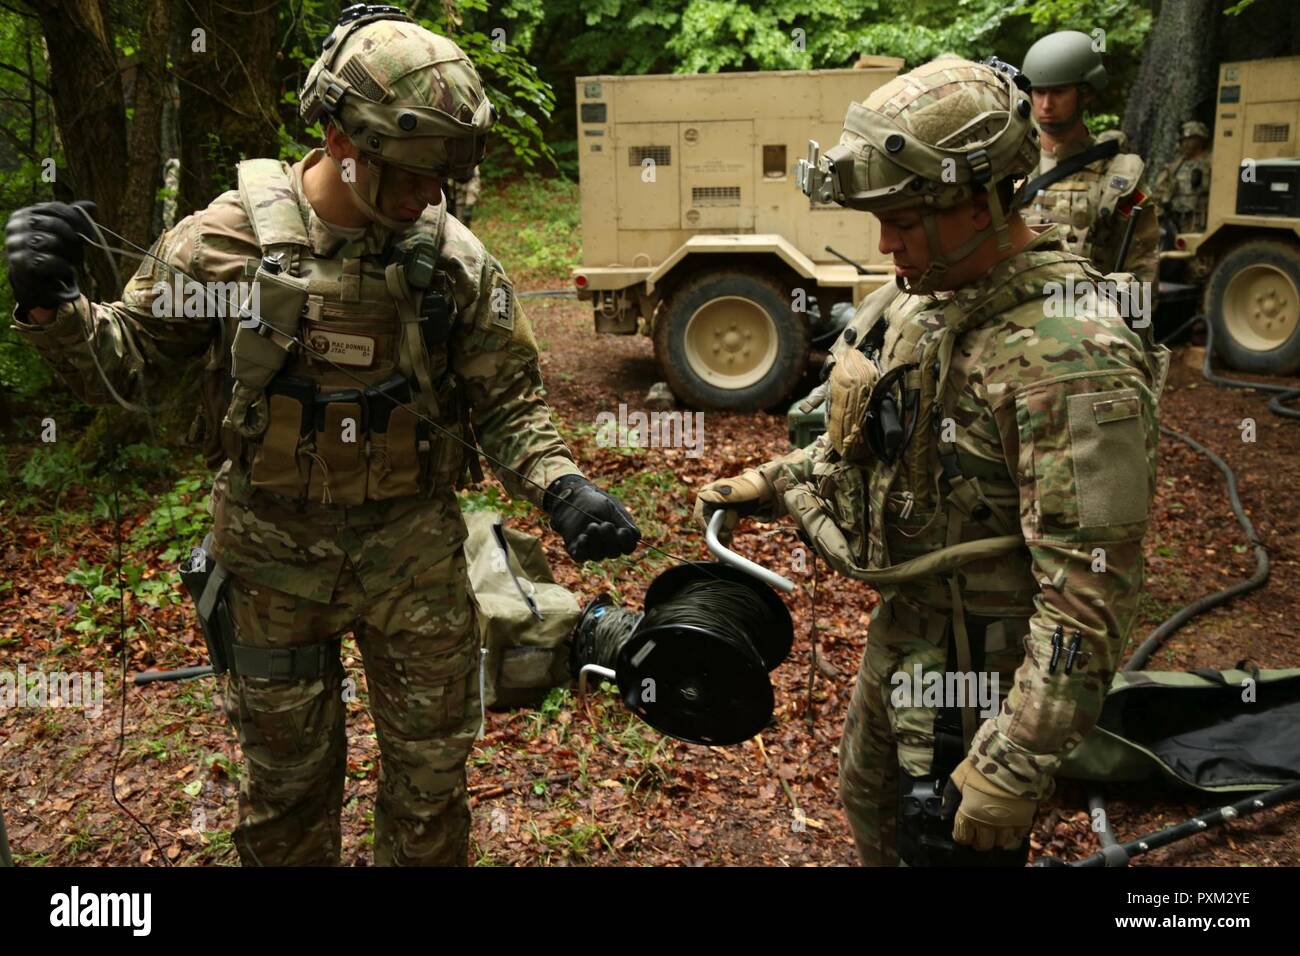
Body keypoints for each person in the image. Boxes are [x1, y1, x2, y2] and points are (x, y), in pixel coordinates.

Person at [3, 3, 640, 866]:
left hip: (411, 556)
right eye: (411, 176)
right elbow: (134, 364)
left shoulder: (451, 261)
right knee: (287, 793)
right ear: (342, 139)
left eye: (441, 179)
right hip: (270, 560)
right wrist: (54, 308)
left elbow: (506, 402)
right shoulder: (226, 243)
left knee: (430, 786)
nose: (428, 197)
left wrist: (562, 485)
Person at [698, 56, 1165, 865]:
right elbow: (879, 448)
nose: (885, 244)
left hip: (984, 682)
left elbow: (1089, 593)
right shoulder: (925, 300)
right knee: (874, 815)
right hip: (904, 639)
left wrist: (1013, 761)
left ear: (980, 199)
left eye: (906, 221)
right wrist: (777, 481)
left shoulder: (1072, 354)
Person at [1018, 30, 1159, 285]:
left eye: (1058, 92)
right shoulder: (1010, 164)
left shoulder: (1117, 177)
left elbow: (1142, 274)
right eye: (1039, 92)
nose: (1046, 105)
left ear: (1087, 94)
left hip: (1085, 319)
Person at [1152, 120, 1213, 238]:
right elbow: (1159, 192)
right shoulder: (1175, 165)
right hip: (1175, 218)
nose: (1186, 143)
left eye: (1190, 139)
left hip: (1200, 219)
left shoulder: (1211, 162)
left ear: (1200, 140)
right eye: (1184, 140)